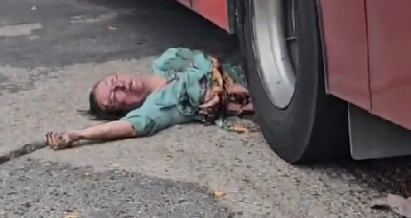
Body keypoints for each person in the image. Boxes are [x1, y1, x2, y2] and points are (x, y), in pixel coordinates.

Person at [45, 47, 254, 150]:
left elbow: (204, 58)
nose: (119, 85)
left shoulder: (166, 60)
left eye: (113, 81)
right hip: (250, 101)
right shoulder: (152, 110)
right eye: (115, 96)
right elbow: (119, 128)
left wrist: (217, 83)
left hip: (247, 71)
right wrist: (75, 135)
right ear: (123, 109)